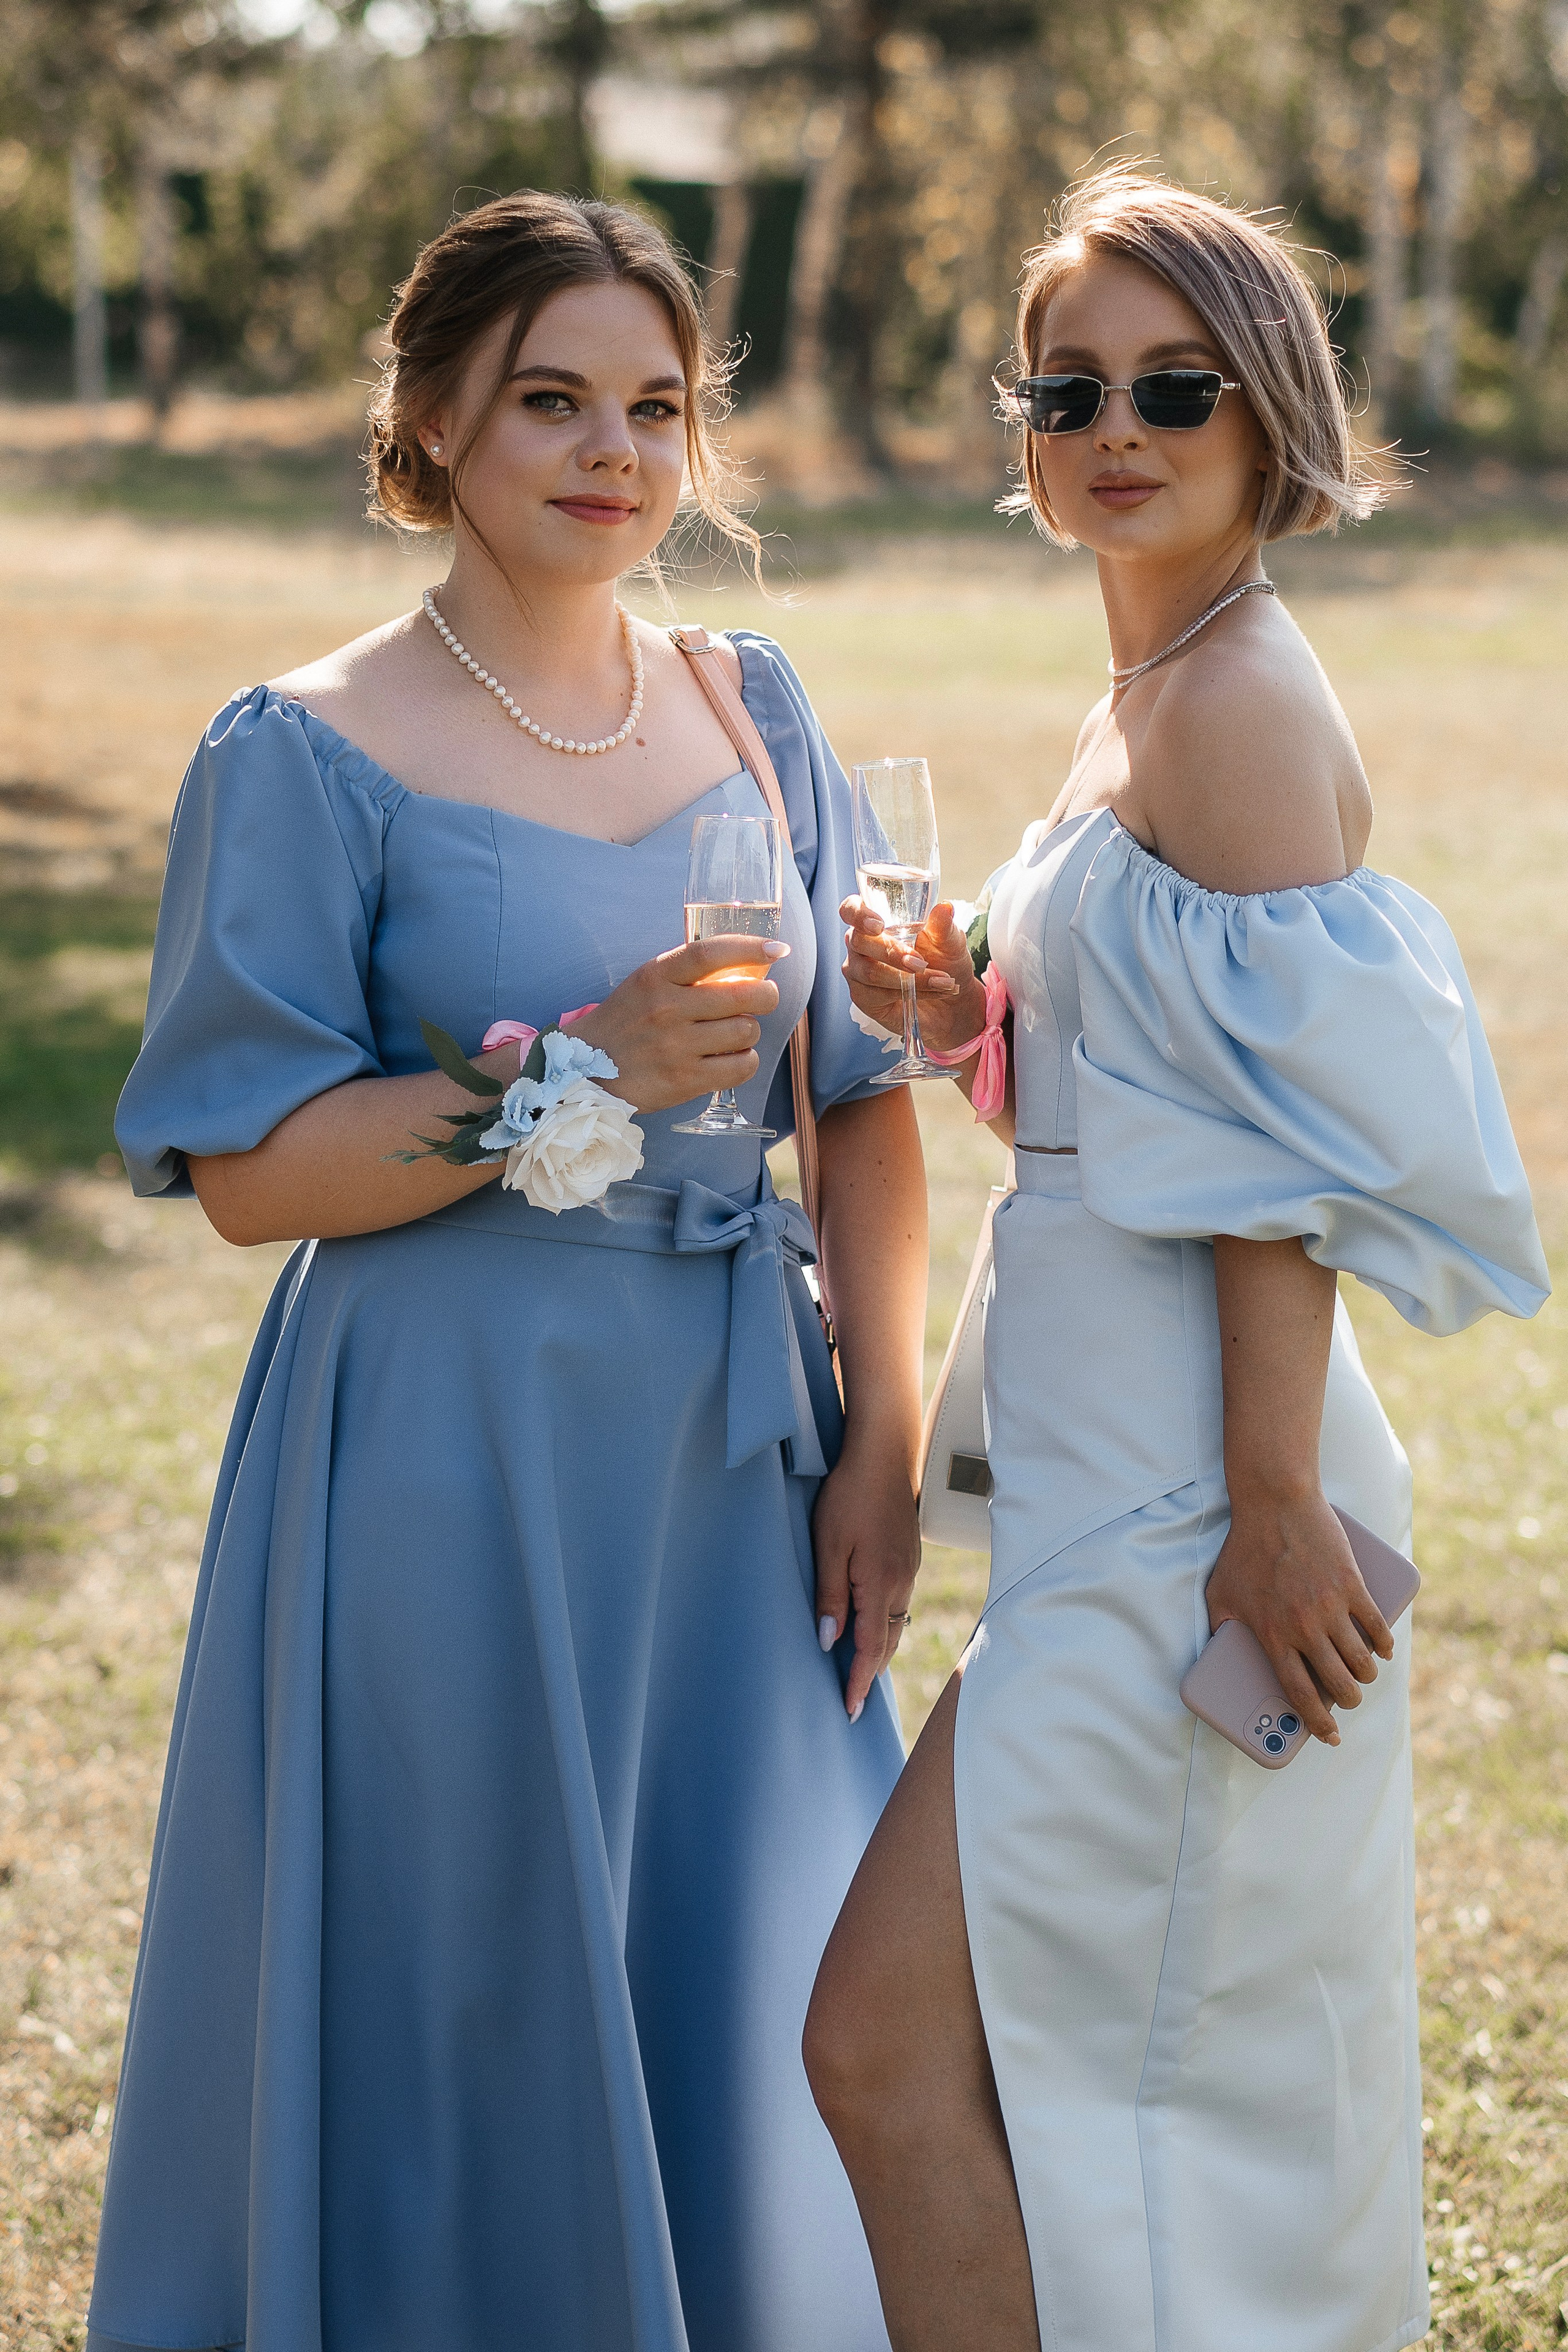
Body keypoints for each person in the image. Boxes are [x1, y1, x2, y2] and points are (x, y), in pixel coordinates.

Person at [91, 192, 924, 2352]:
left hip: (731, 1457)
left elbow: (861, 1105)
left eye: (655, 407)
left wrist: (889, 1443)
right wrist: (586, 1066)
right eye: (551, 400)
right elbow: (259, 1173)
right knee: (467, 1974)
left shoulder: (757, 706)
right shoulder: (303, 746)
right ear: (434, 418)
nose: (612, 454)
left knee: (765, 1966)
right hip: (444, 1458)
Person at [809, 167, 1550, 2352]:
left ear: (1270, 408)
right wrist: (970, 1029)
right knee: (986, 2060)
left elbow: (1273, 1162)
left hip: (1197, 1506)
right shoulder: (1142, 688)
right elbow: (1138, 1097)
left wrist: (1274, 1511)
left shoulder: (1229, 708)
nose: (1113, 423)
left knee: (947, 2055)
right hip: (1114, 1474)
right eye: (1069, 385)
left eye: (1172, 383)